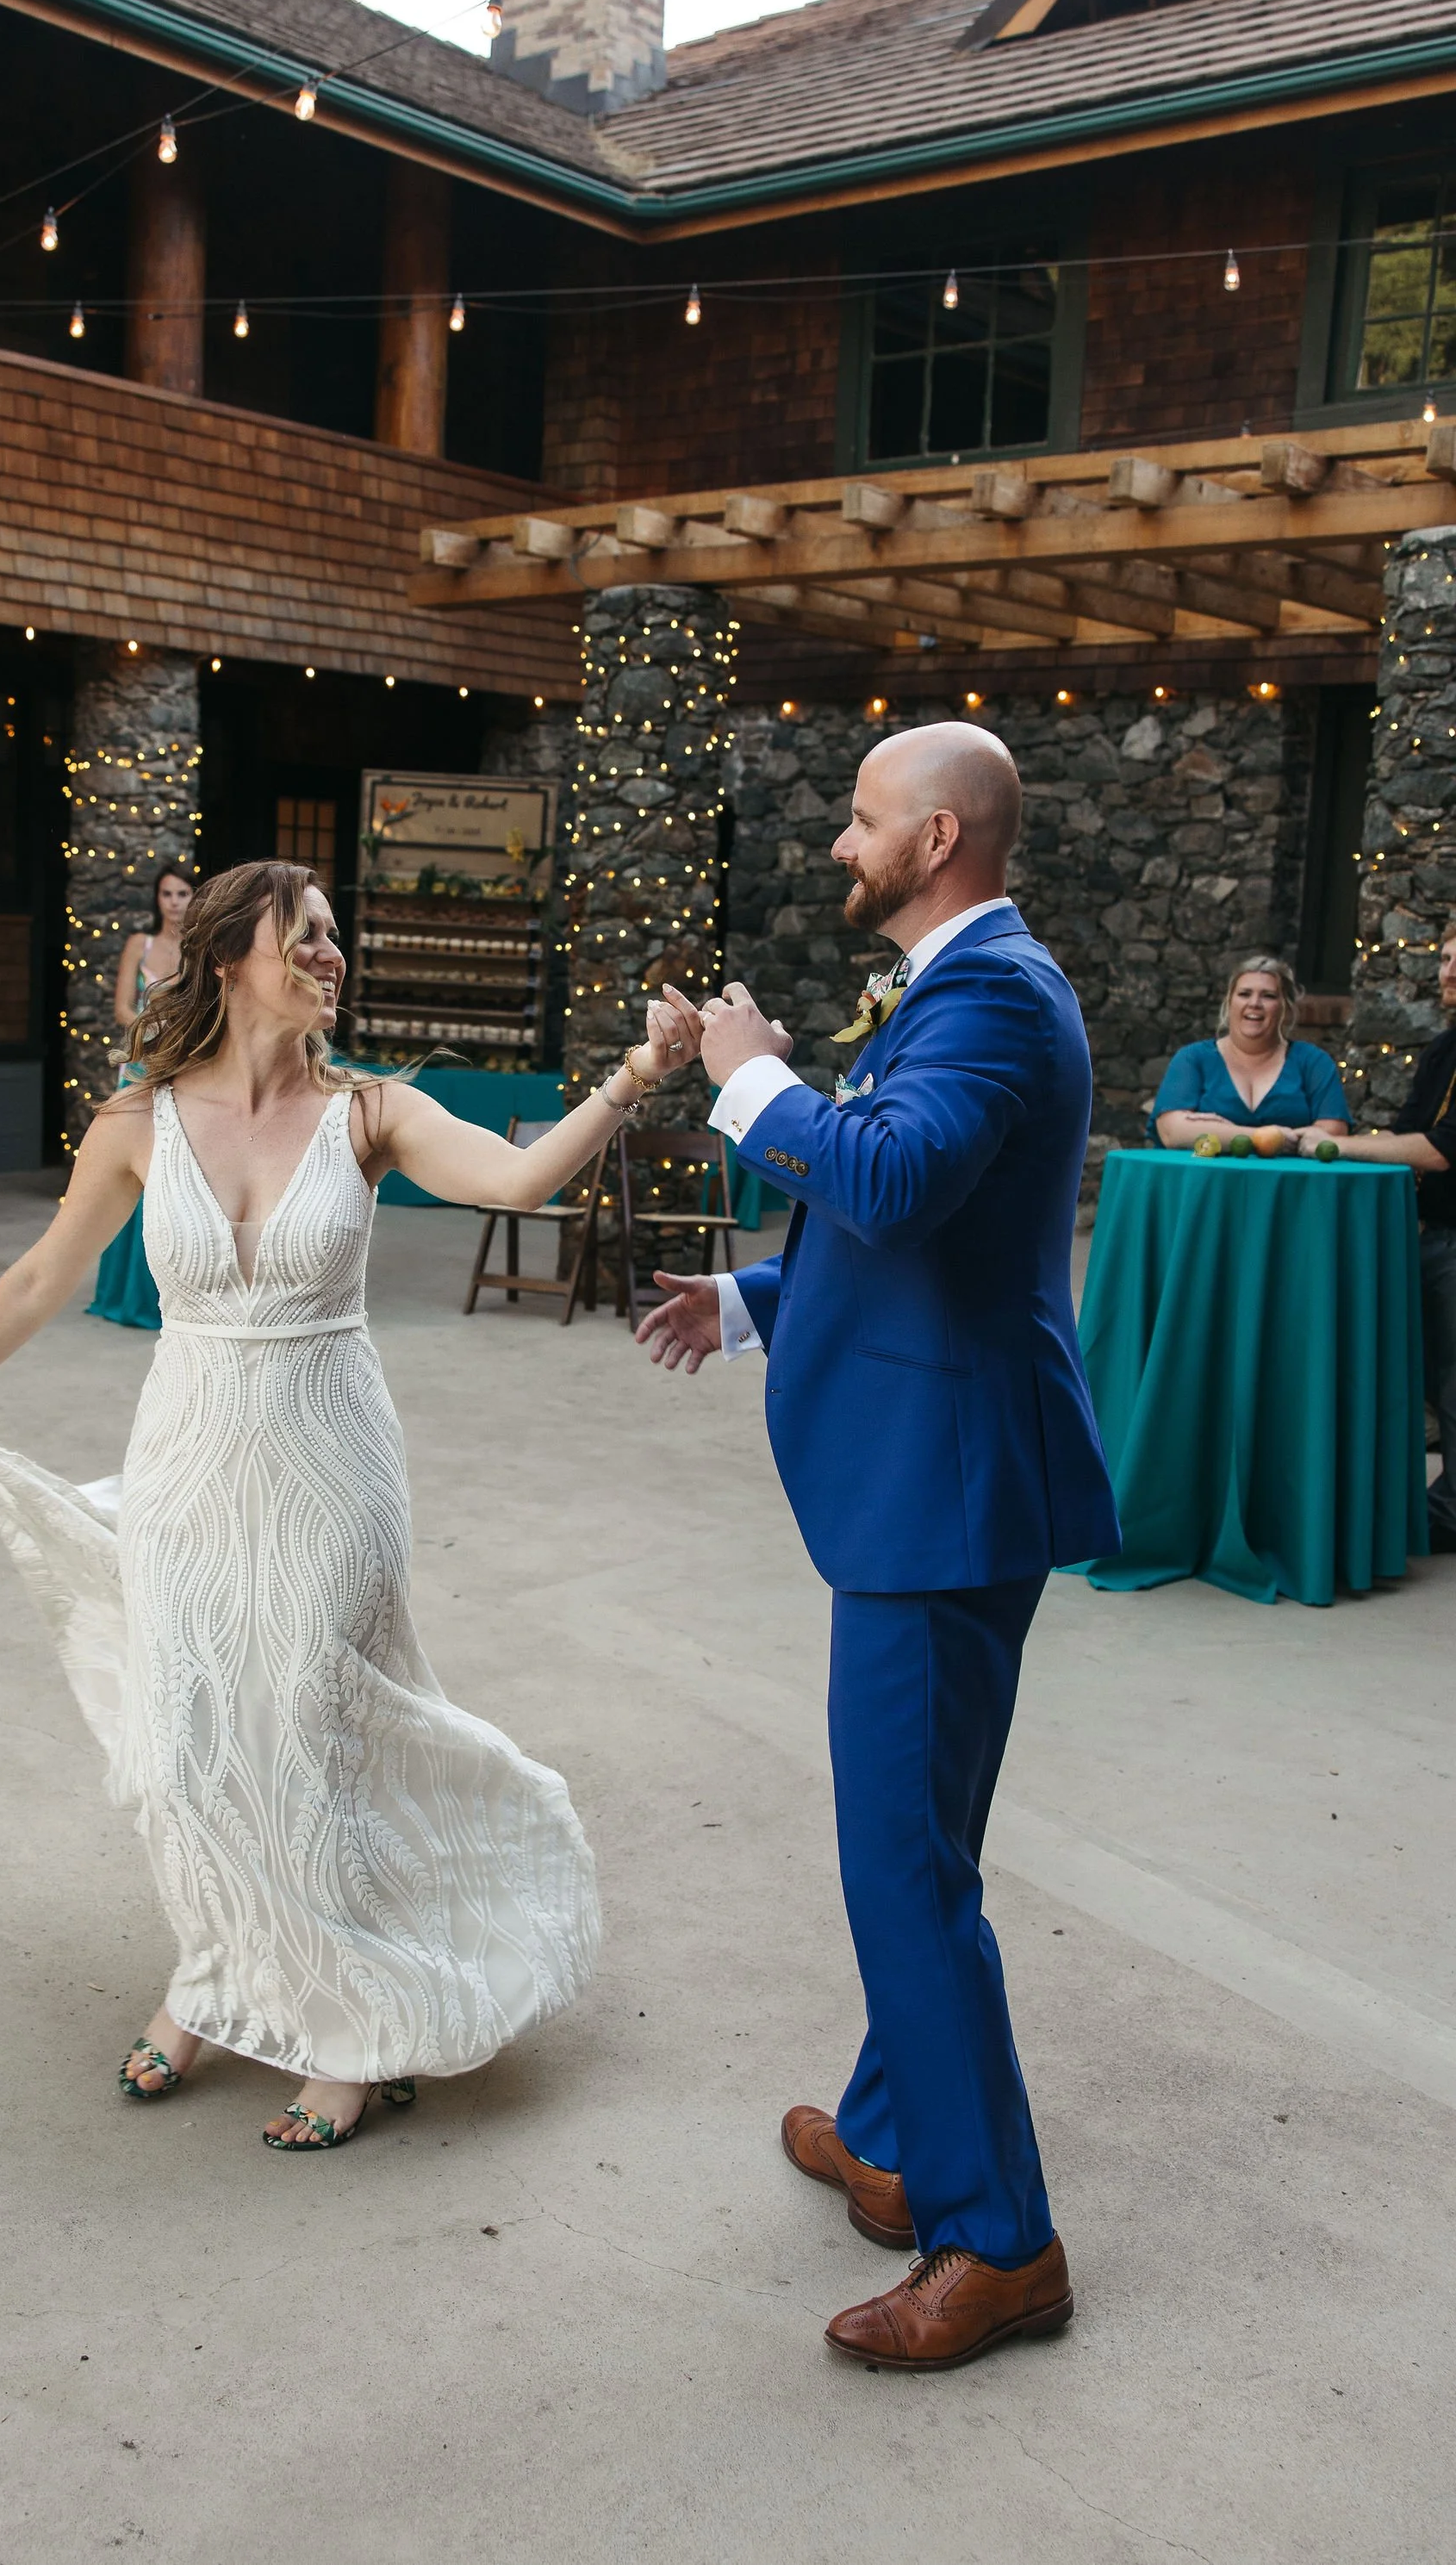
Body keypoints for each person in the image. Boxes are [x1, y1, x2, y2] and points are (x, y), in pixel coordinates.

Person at [0, 860, 705, 2150]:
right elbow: (46, 1270)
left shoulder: (372, 1111)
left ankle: (355, 2026)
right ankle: (213, 1978)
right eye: (305, 935)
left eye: (335, 937)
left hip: (330, 1451)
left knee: (311, 1727)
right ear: (225, 959)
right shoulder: (137, 1125)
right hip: (191, 1453)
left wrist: (637, 1073)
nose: (331, 953)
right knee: (187, 1738)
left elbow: (520, 1180)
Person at [636, 722, 1118, 2374]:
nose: (837, 846)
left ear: (931, 839)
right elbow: (930, 1236)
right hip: (937, 1467)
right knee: (919, 1851)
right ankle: (892, 2140)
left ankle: (1000, 2242)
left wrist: (748, 1074)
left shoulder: (993, 995)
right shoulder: (960, 987)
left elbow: (899, 1185)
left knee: (900, 1869)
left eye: (855, 821)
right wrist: (757, 1298)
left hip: (947, 1490)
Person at [1304, 919, 1456, 1551]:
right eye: (1446, 957)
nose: (1448, 970)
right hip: (1428, 1231)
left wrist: (1339, 1146)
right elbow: (1409, 1129)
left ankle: (1447, 1517)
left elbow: (1440, 1150)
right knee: (1424, 1380)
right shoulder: (1445, 1047)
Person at [86, 863, 193, 1332]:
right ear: (157, 899)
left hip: (186, 1064)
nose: (173, 902)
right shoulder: (140, 945)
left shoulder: (200, 949)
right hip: (140, 1065)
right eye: (166, 894)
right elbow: (120, 1007)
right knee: (130, 1172)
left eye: (182, 893)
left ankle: (170, 1294)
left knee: (173, 1175)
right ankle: (123, 1293)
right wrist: (150, 1030)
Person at [1150, 956, 1349, 1149]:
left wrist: (1218, 1131)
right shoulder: (1192, 1059)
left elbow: (1333, 1132)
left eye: (1268, 996)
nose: (1254, 1003)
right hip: (1207, 1179)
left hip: (1289, 1180)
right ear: (1229, 1003)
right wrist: (1270, 1137)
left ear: (1285, 1007)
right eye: (1244, 994)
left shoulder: (1313, 1062)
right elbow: (1171, 1132)